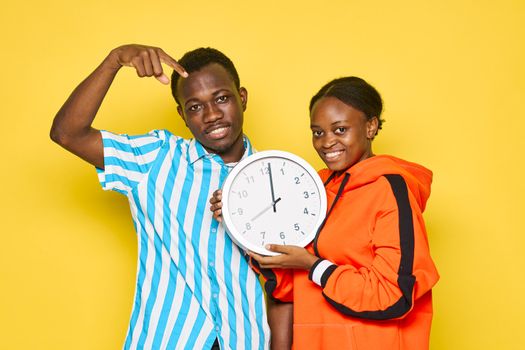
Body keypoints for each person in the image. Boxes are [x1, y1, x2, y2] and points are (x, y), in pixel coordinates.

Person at [50, 44, 291, 350]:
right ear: (182, 114)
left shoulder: (276, 179)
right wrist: (114, 60)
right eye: (195, 106)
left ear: (241, 97)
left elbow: (284, 286)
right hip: (168, 340)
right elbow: (67, 133)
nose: (212, 115)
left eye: (221, 98)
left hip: (244, 340)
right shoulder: (155, 159)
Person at [211, 76, 439, 349]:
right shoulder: (314, 188)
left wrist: (312, 265)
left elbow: (394, 294)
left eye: (340, 130)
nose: (327, 142)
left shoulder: (390, 189)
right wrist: (240, 221)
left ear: (370, 126)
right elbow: (289, 288)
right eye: (318, 132)